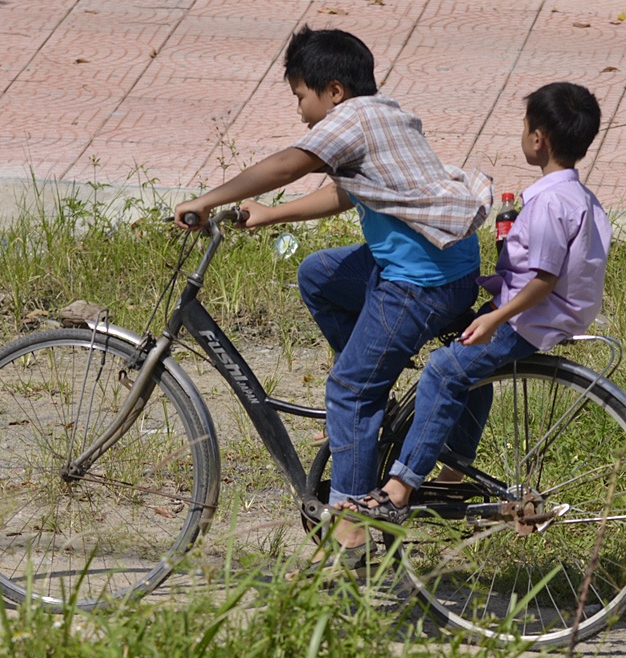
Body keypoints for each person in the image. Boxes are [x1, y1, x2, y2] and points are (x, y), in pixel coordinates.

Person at [172, 26, 493, 567]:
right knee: (320, 274)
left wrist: (207, 199)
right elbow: (348, 190)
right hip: (444, 265)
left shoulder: (351, 119)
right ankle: (381, 402)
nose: (300, 111)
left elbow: (286, 164)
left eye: (301, 96)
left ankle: (351, 528)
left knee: (349, 389)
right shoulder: (383, 113)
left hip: (420, 281)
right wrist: (272, 213)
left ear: (335, 90)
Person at [347, 81, 610, 524]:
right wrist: (494, 282)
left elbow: (545, 280)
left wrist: (496, 319)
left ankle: (400, 487)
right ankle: (455, 466)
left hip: (530, 317)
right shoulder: (580, 197)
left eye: (525, 126)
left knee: (445, 369)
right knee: (468, 363)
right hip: (541, 309)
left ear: (537, 139)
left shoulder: (548, 204)